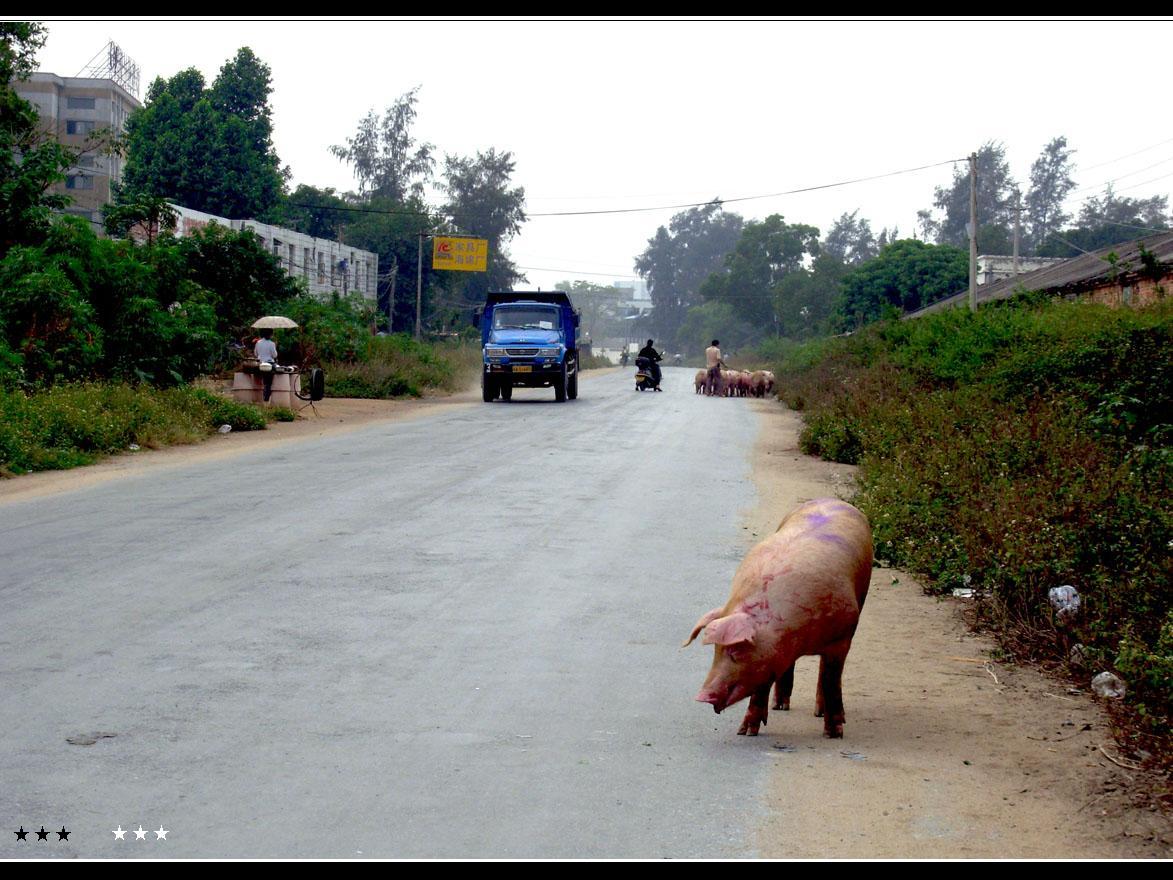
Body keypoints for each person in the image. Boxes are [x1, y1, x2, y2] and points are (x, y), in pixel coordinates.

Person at [254, 328, 279, 402]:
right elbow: (275, 356)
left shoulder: (258, 342)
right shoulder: (272, 344)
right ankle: (266, 398)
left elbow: (256, 354)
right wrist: (275, 346)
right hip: (269, 364)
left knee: (262, 380)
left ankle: (260, 397)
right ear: (270, 335)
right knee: (268, 382)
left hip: (259, 363)